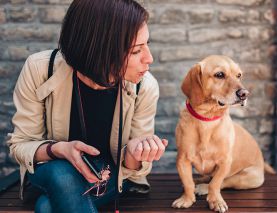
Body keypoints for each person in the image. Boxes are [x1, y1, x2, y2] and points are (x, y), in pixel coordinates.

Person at [6, 0, 168, 212]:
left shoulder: (144, 86)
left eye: (147, 44)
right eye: (136, 50)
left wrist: (135, 154)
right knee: (61, 173)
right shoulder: (40, 70)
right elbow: (20, 146)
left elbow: (134, 171)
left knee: (46, 208)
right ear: (100, 49)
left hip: (108, 174)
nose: (149, 58)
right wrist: (59, 150)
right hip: (51, 170)